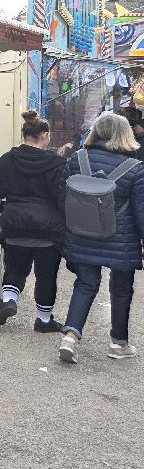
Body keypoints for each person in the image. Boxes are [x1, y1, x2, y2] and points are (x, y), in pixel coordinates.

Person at [57, 112, 144, 363]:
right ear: (125, 134)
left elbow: (62, 197)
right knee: (121, 290)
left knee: (85, 284)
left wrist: (71, 227)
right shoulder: (135, 168)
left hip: (83, 233)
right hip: (121, 239)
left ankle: (70, 337)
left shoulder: (77, 159)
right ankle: (118, 344)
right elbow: (140, 212)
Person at [0, 111, 67, 332]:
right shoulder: (57, 163)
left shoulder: (7, 159)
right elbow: (63, 197)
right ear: (44, 135)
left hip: (15, 222)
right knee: (46, 274)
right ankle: (44, 320)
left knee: (15, 266)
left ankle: (8, 300)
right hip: (48, 227)